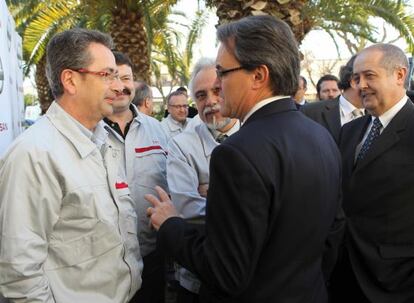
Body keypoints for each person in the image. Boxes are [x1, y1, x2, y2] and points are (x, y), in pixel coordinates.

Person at [145, 15, 343, 303]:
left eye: (223, 73)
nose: (218, 86)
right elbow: (333, 235)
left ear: (259, 76)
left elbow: (226, 272)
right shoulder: (321, 136)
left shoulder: (236, 153)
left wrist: (170, 224)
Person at [0, 28, 142, 303]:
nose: (119, 86)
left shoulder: (104, 142)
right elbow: (19, 274)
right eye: (107, 75)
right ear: (71, 80)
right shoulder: (35, 155)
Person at [331, 43, 414, 303]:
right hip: (342, 273)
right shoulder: (350, 131)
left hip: (397, 282)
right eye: (356, 78)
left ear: (400, 75)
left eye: (369, 76)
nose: (360, 85)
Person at [167, 58, 239, 303]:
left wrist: (212, 194)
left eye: (217, 90)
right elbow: (187, 210)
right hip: (197, 281)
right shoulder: (181, 145)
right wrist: (241, 209)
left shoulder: (256, 132)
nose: (210, 101)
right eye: (200, 95)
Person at [103, 51, 169, 303]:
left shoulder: (158, 131)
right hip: (105, 263)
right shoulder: (88, 133)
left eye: (126, 78)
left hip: (151, 256)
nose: (120, 86)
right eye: (112, 77)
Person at [302, 56, 364, 142]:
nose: (331, 94)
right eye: (371, 76)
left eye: (334, 90)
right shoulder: (310, 112)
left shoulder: (376, 116)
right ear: (354, 81)